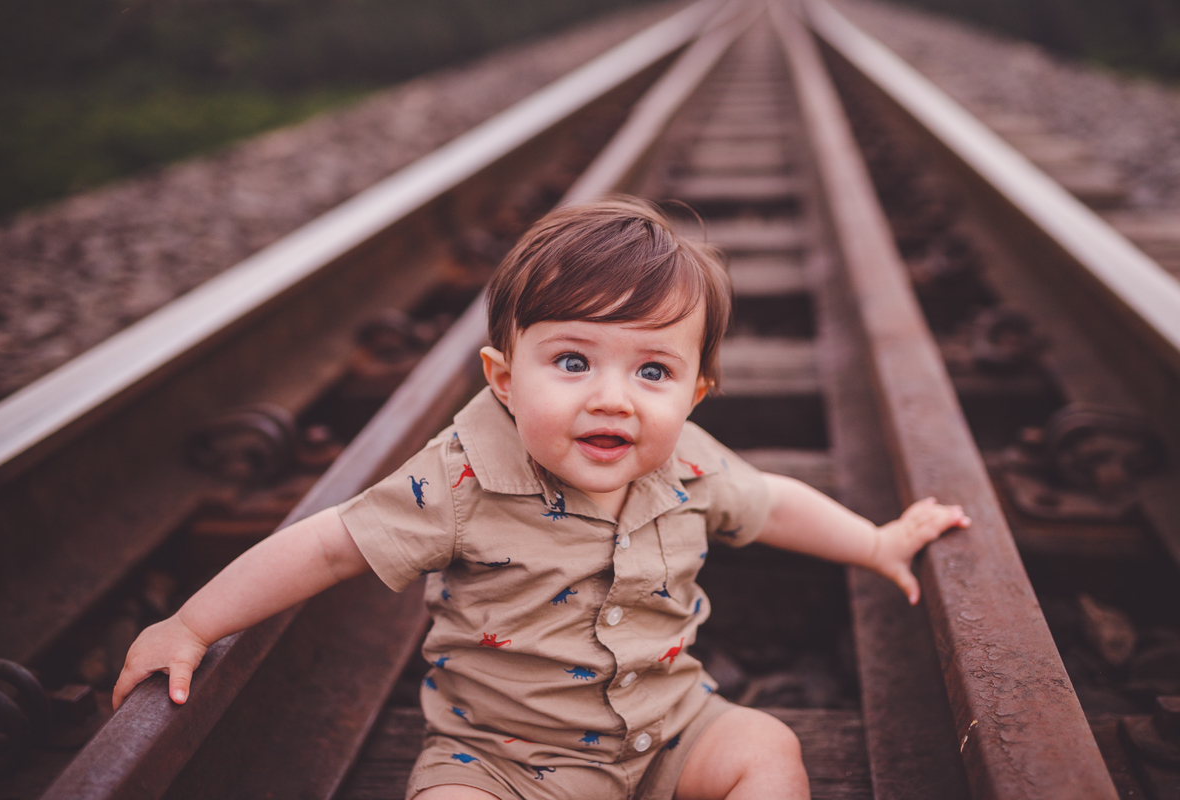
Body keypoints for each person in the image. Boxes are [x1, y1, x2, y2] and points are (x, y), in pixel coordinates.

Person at [114, 197, 970, 800]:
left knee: (768, 750)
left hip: (669, 731)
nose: (611, 398)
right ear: (504, 378)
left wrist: (876, 542)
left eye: (652, 371)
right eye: (571, 361)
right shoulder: (457, 479)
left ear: (696, 391)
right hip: (501, 763)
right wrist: (191, 625)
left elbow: (773, 503)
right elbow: (331, 544)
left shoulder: (688, 462)